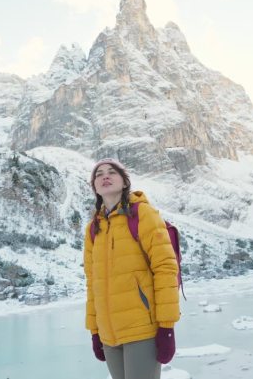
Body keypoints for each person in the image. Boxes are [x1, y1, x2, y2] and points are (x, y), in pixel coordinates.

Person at [83, 158, 180, 379]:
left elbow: (165, 269)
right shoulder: (93, 229)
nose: (105, 176)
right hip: (109, 335)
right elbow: (92, 283)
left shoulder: (143, 214)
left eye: (112, 172)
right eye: (99, 174)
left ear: (125, 182)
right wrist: (95, 330)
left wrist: (166, 326)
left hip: (141, 329)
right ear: (95, 187)